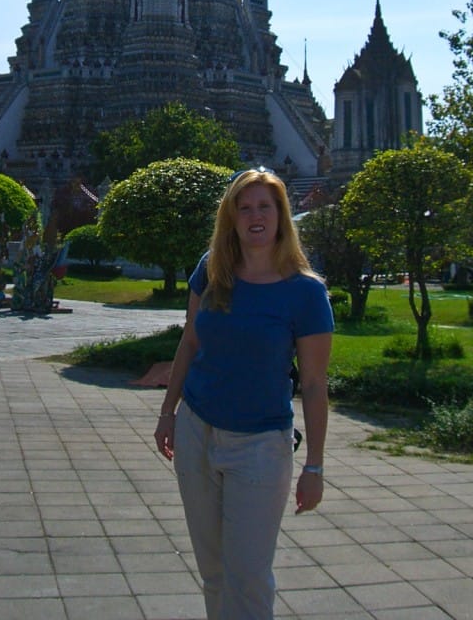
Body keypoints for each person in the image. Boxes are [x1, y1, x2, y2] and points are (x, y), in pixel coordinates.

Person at [154, 168, 334, 620]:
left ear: (281, 216)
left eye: (265, 207)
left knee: (248, 576)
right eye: (245, 207)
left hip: (259, 446)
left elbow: (314, 384)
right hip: (197, 431)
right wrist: (168, 412)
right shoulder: (212, 269)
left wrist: (314, 466)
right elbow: (189, 342)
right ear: (231, 218)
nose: (255, 217)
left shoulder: (305, 292)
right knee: (214, 571)